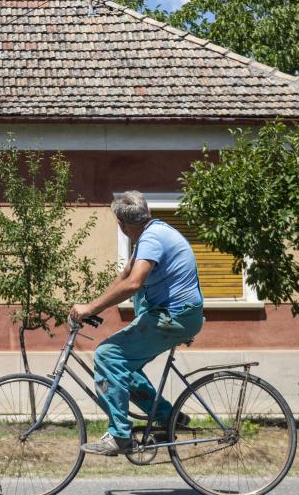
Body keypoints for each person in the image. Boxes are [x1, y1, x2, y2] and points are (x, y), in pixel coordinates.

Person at [69, 190, 205, 455]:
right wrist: (91, 306)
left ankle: (120, 436)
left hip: (173, 317)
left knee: (108, 356)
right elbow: (126, 276)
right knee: (122, 369)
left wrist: (90, 308)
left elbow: (134, 283)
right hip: (176, 315)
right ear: (148, 213)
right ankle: (167, 416)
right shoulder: (151, 234)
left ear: (121, 224)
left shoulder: (152, 239)